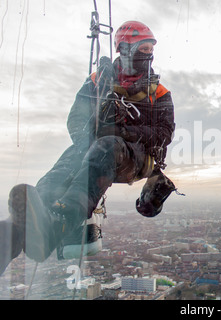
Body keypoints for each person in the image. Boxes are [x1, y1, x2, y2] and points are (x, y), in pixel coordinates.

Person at [0, 21, 177, 275]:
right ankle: (17, 231)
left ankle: (61, 223)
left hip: (137, 157)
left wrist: (126, 131)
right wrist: (95, 127)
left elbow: (164, 134)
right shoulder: (98, 81)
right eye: (143, 49)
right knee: (70, 159)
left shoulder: (158, 92)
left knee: (106, 146)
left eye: (150, 50)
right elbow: (75, 120)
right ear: (125, 49)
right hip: (98, 146)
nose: (148, 55)